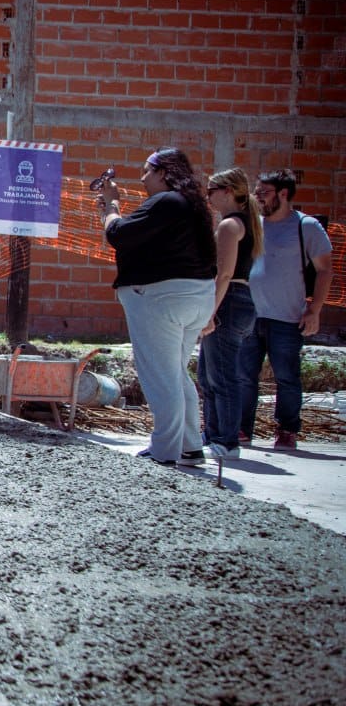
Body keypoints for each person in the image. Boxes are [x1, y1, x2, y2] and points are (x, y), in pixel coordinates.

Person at [97, 148, 216, 467]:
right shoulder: (190, 206)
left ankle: (165, 451)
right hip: (195, 297)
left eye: (147, 170)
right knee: (176, 374)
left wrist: (111, 206)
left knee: (161, 377)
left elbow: (119, 234)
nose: (142, 176)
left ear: (164, 172)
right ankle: (190, 446)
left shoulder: (166, 202)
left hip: (161, 299)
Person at [239, 169, 334, 451]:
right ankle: (243, 429)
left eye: (264, 193)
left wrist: (314, 310)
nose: (258, 199)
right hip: (249, 315)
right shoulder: (253, 224)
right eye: (256, 193)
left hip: (287, 317)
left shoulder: (307, 227)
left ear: (283, 194)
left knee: (287, 377)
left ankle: (287, 429)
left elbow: (325, 270)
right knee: (244, 376)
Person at [197, 169, 262, 462]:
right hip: (240, 301)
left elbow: (224, 274)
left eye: (211, 190)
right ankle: (214, 434)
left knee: (221, 376)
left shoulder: (229, 226)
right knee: (210, 374)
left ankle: (226, 440)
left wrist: (210, 312)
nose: (207, 196)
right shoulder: (245, 223)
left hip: (228, 302)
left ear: (227, 191)